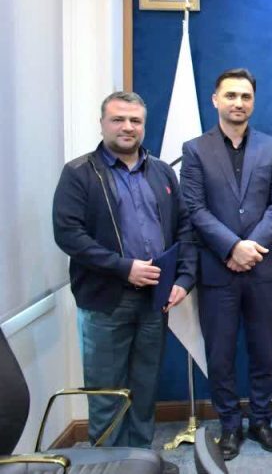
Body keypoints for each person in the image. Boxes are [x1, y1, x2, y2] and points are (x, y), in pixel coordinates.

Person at [52, 91, 195, 471]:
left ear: (143, 126)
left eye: (135, 120)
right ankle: (107, 465)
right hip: (105, 301)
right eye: (118, 119)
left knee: (144, 389)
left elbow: (183, 228)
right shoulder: (79, 173)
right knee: (107, 394)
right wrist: (123, 267)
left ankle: (139, 460)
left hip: (154, 301)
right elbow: (69, 235)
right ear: (102, 124)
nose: (127, 127)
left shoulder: (162, 172)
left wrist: (183, 278)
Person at [180, 68, 272, 459]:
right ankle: (229, 424)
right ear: (216, 100)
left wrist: (251, 247)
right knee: (221, 356)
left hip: (263, 269)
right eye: (231, 95)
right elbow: (193, 207)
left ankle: (261, 420)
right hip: (217, 270)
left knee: (265, 352)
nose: (238, 103)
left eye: (245, 96)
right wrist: (232, 248)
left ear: (253, 102)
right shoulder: (195, 149)